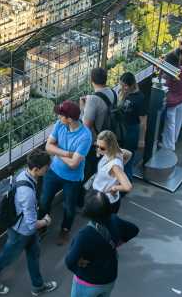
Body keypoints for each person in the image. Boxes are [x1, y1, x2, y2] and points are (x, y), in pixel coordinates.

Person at [0, 149, 58, 296]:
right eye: (46, 168)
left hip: (22, 227)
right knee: (7, 257)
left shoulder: (23, 174)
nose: (48, 169)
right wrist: (45, 221)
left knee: (33, 253)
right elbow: (32, 224)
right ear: (36, 169)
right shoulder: (27, 194)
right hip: (21, 232)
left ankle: (38, 286)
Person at [64, 191, 140, 297]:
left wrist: (80, 269)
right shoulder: (115, 220)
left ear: (87, 211)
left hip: (88, 283)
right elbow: (134, 230)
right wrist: (117, 244)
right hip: (109, 278)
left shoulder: (84, 235)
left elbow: (69, 262)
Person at [39, 100, 93, 246]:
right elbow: (48, 147)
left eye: (61, 115)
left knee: (69, 207)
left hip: (72, 178)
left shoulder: (85, 136)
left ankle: (65, 229)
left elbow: (74, 164)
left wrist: (57, 152)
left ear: (69, 119)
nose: (58, 117)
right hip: (54, 171)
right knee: (44, 201)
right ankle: (42, 226)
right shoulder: (60, 124)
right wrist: (68, 153)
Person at [79, 68, 117, 182]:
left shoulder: (93, 99)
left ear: (91, 80)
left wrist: (82, 108)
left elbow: (86, 126)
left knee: (88, 173)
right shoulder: (112, 92)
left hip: (95, 143)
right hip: (109, 137)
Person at [91, 130, 133, 214]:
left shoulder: (115, 166)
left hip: (107, 201)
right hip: (101, 197)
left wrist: (114, 188)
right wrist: (121, 167)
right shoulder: (116, 152)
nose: (98, 149)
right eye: (97, 146)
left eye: (102, 148)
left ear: (110, 147)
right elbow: (129, 154)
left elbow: (128, 187)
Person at [117, 72, 146, 178]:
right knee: (119, 158)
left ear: (132, 84)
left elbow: (143, 121)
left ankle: (127, 181)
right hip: (122, 130)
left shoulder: (140, 98)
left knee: (128, 160)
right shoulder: (124, 93)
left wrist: (141, 140)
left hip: (132, 131)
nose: (123, 88)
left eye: (125, 86)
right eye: (121, 85)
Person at [161, 51, 182, 151]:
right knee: (178, 122)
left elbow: (164, 84)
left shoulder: (169, 75)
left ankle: (169, 146)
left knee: (170, 125)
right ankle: (174, 141)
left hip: (173, 102)